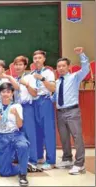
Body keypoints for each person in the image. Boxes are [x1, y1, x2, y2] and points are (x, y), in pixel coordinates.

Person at [54, 47, 89, 175]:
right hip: (60, 112)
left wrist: (81, 55)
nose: (61, 68)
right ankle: (67, 158)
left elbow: (85, 69)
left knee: (77, 137)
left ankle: (80, 164)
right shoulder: (57, 82)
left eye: (63, 66)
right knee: (64, 137)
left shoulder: (75, 77)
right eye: (58, 66)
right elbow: (55, 97)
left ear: (68, 67)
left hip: (72, 111)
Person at [0, 83, 29, 187]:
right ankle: (23, 166)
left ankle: (23, 174)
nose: (6, 94)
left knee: (23, 145)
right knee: (4, 172)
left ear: (12, 93)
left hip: (15, 134)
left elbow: (20, 125)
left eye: (8, 92)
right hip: (1, 137)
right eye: (3, 92)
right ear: (0, 93)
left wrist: (16, 114)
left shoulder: (17, 106)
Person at [31, 50, 56, 170]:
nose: (37, 60)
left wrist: (42, 79)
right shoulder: (31, 73)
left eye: (39, 58)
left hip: (45, 101)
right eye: (35, 58)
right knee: (37, 130)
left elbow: (52, 88)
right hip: (34, 101)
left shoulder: (49, 72)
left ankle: (51, 160)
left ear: (44, 59)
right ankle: (40, 156)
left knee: (48, 131)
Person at [13, 56, 39, 170]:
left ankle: (32, 160)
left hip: (27, 107)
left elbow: (34, 94)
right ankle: (21, 157)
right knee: (18, 133)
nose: (18, 67)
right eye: (16, 64)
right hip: (16, 108)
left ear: (25, 66)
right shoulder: (14, 79)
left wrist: (26, 84)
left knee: (29, 134)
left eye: (20, 64)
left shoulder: (30, 77)